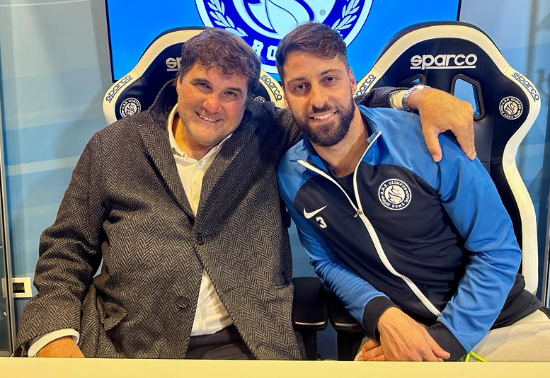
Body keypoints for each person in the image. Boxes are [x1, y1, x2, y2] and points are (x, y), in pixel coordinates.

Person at [15, 28, 474, 359]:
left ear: (249, 99)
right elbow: (66, 251)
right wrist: (55, 337)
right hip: (127, 346)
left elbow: (334, 108)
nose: (213, 105)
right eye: (202, 85)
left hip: (248, 345)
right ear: (178, 82)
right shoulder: (113, 146)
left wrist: (416, 97)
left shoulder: (267, 132)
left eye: (231, 93)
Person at [276, 22, 550, 362]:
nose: (318, 100)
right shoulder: (291, 174)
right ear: (286, 96)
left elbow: (497, 251)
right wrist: (381, 315)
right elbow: (328, 262)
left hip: (499, 320)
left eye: (329, 79)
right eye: (300, 87)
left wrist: (446, 341)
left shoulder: (426, 139)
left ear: (351, 80)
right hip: (401, 331)